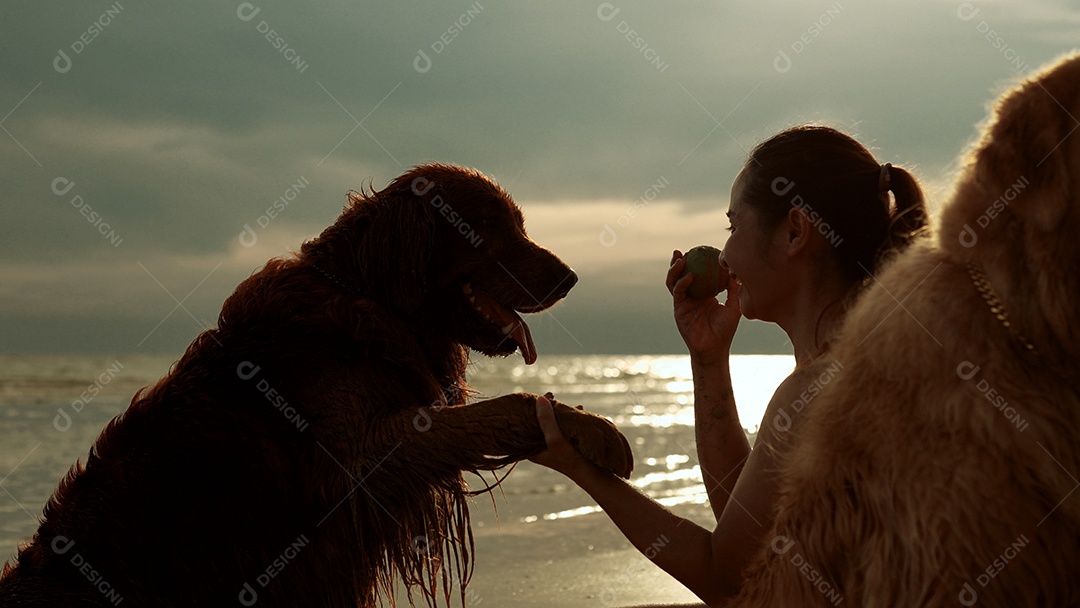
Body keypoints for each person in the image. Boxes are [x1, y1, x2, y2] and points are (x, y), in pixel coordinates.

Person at [528, 125, 929, 605]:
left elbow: (731, 580)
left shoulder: (815, 392)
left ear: (794, 232)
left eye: (733, 227)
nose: (724, 254)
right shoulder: (874, 360)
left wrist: (582, 469)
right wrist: (709, 359)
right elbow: (750, 527)